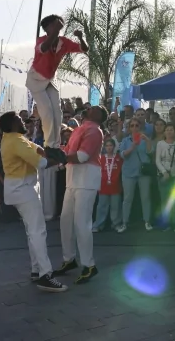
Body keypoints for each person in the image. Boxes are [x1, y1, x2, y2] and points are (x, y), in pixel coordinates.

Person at [0, 111, 68, 292]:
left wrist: (50, 152)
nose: (24, 123)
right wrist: (61, 159)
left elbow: (37, 149)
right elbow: (41, 163)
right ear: (13, 124)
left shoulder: (13, 138)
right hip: (22, 188)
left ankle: (37, 269)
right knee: (38, 231)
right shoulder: (16, 140)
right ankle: (46, 275)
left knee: (32, 230)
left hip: (20, 187)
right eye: (20, 120)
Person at [54, 106, 105, 284]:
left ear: (98, 116)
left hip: (86, 180)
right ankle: (69, 259)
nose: (89, 109)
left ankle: (89, 265)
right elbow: (68, 152)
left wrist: (59, 156)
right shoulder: (79, 129)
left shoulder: (95, 130)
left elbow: (82, 156)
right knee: (65, 221)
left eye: (95, 109)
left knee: (81, 223)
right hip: (73, 180)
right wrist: (54, 155)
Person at [25, 14, 89, 151]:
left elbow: (84, 49)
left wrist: (80, 38)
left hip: (49, 80)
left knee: (57, 112)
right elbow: (44, 48)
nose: (58, 27)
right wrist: (55, 31)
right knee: (46, 111)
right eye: (54, 24)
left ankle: (55, 145)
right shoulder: (41, 41)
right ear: (48, 28)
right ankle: (49, 145)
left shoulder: (63, 42)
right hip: (36, 79)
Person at [93, 138, 123, 233]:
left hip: (115, 186)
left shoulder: (118, 158)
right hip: (103, 186)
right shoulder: (101, 158)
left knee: (116, 206)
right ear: (104, 147)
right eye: (107, 146)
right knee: (102, 206)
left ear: (114, 147)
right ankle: (99, 224)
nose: (109, 147)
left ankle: (116, 224)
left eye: (111, 145)